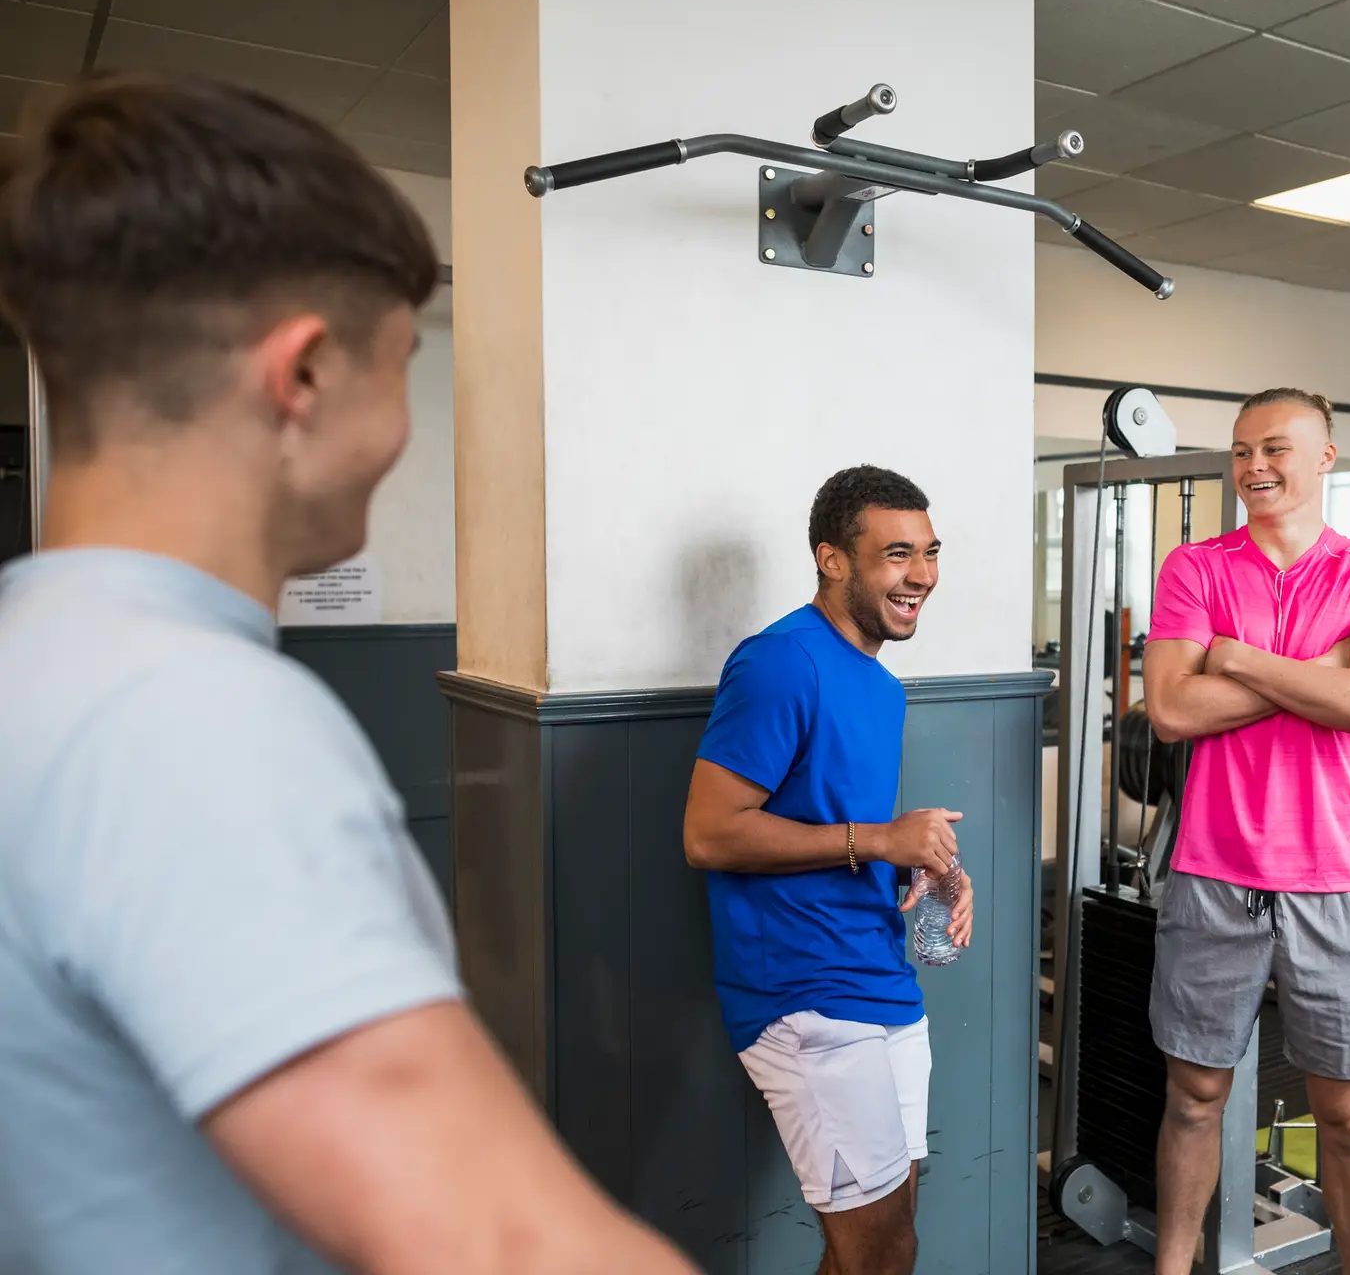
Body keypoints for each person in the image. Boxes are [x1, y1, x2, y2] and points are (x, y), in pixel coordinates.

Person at [0, 75, 695, 1274]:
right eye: (396, 368)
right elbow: (505, 1243)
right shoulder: (186, 717)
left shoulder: (42, 656)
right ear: (305, 375)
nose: (404, 425)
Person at [1142, 388, 1350, 1275]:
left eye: (1275, 448)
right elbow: (1171, 711)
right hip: (1211, 872)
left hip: (1334, 880)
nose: (1253, 467)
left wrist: (1240, 656)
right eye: (1240, 451)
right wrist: (1321, 670)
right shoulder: (1195, 568)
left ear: (1326, 457)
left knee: (1345, 1116)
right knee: (1192, 1099)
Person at [682, 465, 975, 1275]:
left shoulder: (880, 686)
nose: (920, 575)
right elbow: (709, 833)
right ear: (833, 559)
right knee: (882, 1253)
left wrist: (925, 865)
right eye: (896, 554)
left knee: (881, 1243)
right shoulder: (780, 662)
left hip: (879, 974)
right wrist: (880, 841)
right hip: (803, 995)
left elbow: (841, 827)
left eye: (930, 552)